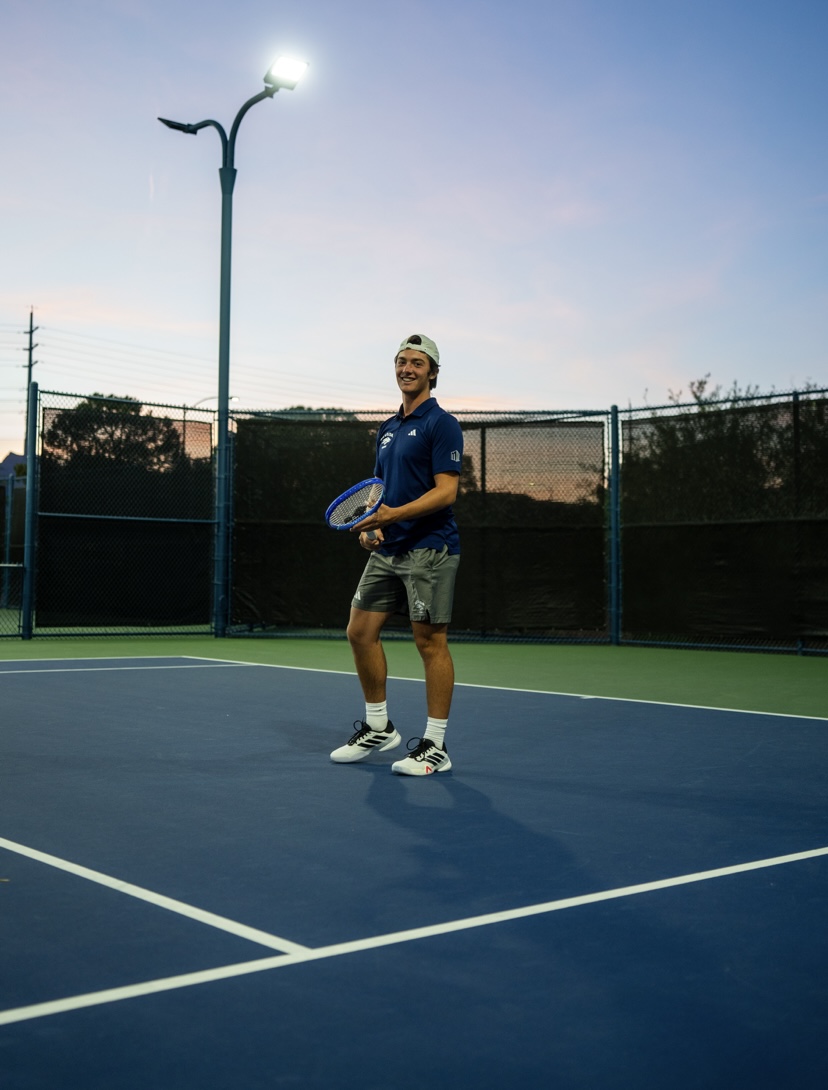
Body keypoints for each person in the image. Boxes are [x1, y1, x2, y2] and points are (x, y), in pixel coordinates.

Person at [329, 333, 463, 776]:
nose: (408, 369)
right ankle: (378, 727)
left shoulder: (441, 423)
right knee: (359, 630)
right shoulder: (387, 429)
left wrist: (395, 514)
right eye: (402, 362)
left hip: (429, 549)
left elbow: (447, 492)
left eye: (417, 363)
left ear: (433, 373)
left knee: (429, 642)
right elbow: (376, 493)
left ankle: (436, 747)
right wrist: (372, 527)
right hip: (389, 550)